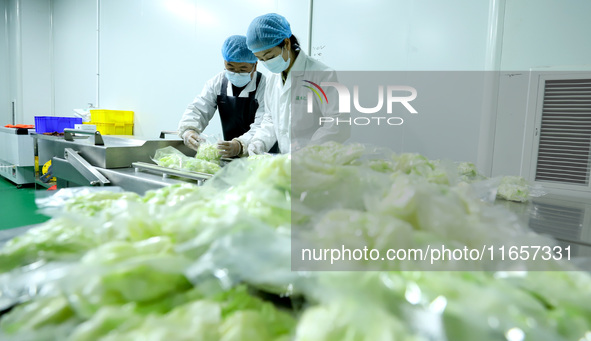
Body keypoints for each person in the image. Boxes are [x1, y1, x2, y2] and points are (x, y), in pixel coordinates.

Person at [245, 13, 349, 155]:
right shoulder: (272, 78)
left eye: (269, 56)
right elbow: (271, 118)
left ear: (286, 43)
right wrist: (259, 141)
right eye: (260, 59)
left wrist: (309, 152)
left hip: (316, 162)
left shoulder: (322, 74)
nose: (267, 63)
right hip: (286, 164)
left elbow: (338, 123)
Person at [178, 35, 266, 158]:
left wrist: (240, 145)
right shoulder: (217, 82)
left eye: (242, 69)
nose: (236, 72)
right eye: (230, 67)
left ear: (255, 65)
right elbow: (199, 108)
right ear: (224, 62)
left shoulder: (265, 86)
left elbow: (264, 125)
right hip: (230, 155)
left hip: (261, 155)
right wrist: (189, 130)